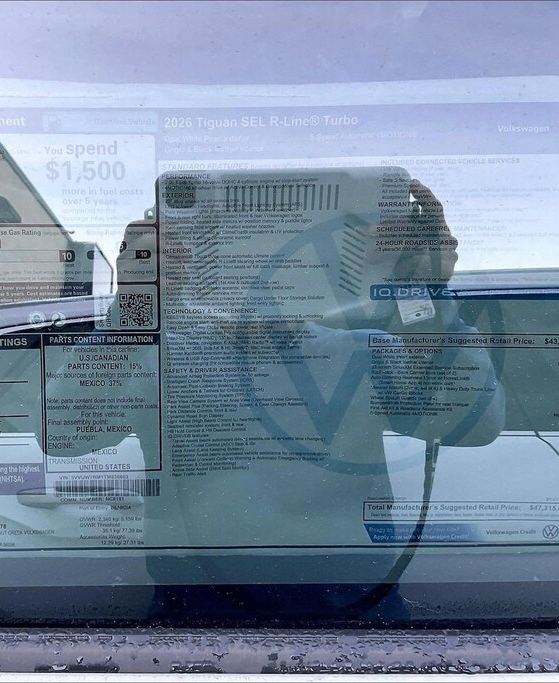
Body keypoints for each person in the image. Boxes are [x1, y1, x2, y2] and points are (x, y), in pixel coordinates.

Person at [50, 176, 505, 623]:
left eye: (280, 252)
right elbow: (64, 436)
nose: (259, 273)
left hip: (355, 603)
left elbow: (475, 425)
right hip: (198, 605)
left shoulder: (364, 351)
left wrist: (425, 289)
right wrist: (134, 305)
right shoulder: (162, 356)